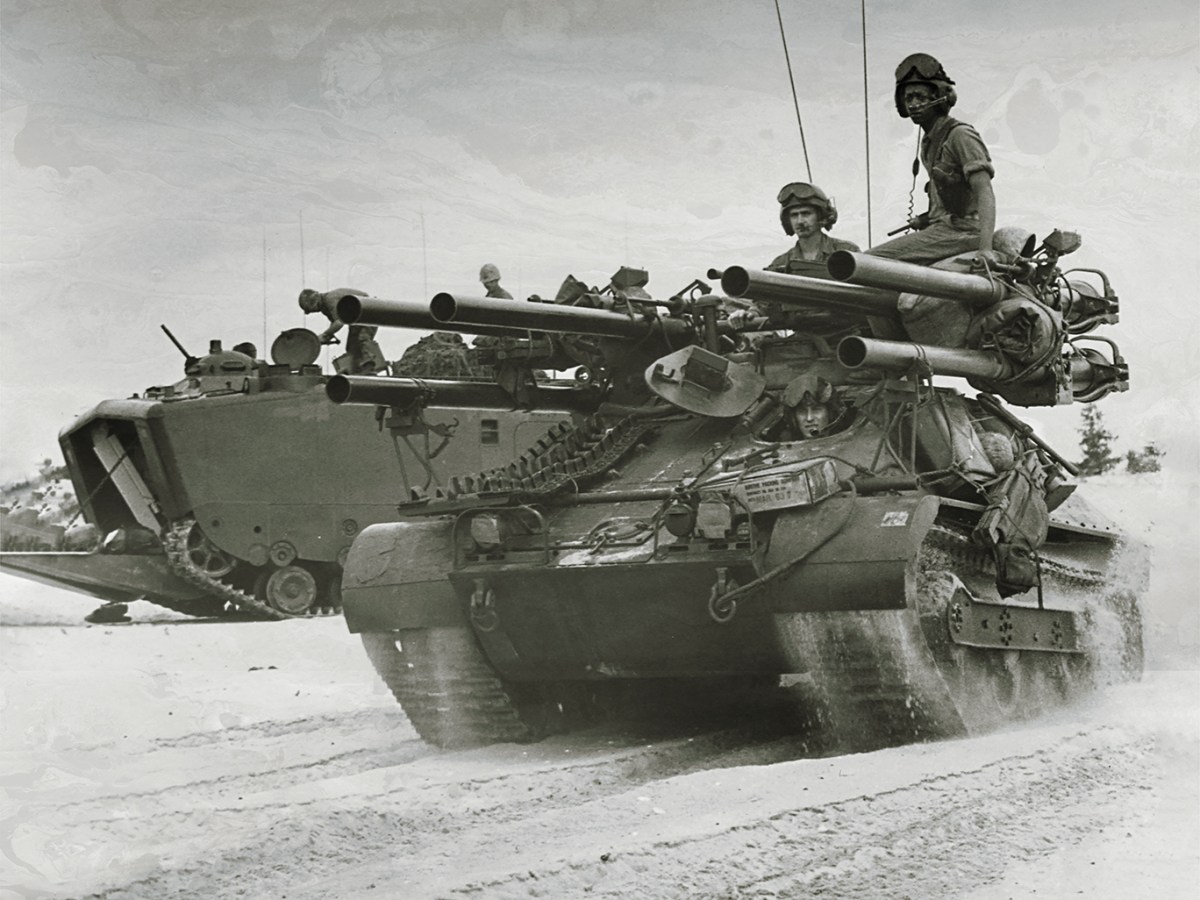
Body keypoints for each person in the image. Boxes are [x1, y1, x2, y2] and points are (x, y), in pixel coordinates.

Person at [865, 53, 999, 267]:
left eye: (921, 97)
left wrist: (985, 249)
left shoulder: (960, 135)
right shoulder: (929, 142)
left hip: (961, 231)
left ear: (941, 98)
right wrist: (926, 219)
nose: (914, 104)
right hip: (942, 229)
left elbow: (984, 191)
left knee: (868, 262)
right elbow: (955, 198)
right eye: (908, 98)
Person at [729, 183, 859, 330]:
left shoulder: (845, 252)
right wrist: (748, 314)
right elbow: (763, 303)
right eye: (794, 215)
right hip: (803, 338)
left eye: (806, 213)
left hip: (846, 334)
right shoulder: (781, 263)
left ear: (820, 216)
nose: (800, 221)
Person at [297, 287, 381, 375]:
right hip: (357, 319)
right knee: (351, 347)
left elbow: (339, 322)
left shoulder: (329, 300)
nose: (314, 311)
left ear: (315, 301)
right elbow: (334, 322)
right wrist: (327, 336)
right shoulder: (324, 306)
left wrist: (325, 334)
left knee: (363, 338)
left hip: (370, 310)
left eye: (312, 309)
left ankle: (369, 368)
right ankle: (355, 371)